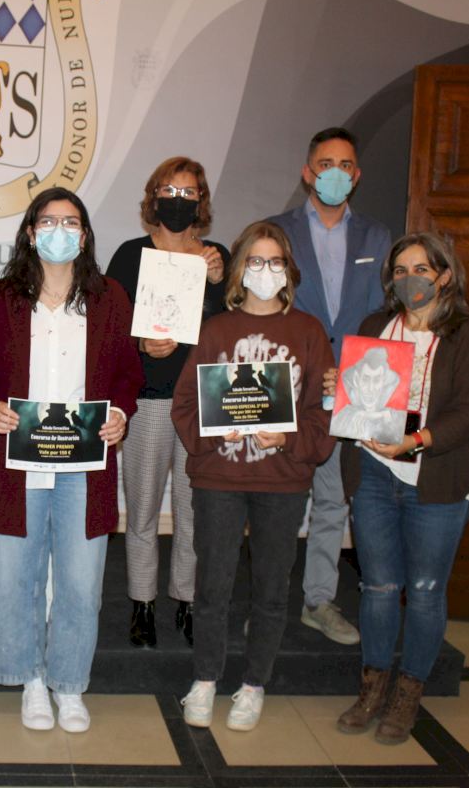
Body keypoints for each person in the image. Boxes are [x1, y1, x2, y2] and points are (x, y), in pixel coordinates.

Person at [0, 187, 143, 733]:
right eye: (48, 222)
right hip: (18, 461)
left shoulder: (110, 298)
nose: (59, 232)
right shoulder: (1, 299)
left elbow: (128, 374)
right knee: (16, 579)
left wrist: (119, 413)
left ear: (85, 236)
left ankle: (69, 684)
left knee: (80, 583)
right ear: (30, 232)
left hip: (84, 465)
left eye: (71, 223)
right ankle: (29, 679)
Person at [172, 221, 334, 732]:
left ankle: (254, 684)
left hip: (283, 482)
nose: (266, 271)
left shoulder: (309, 333)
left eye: (276, 262)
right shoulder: (215, 330)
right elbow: (184, 404)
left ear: (289, 271)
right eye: (256, 261)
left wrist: (287, 437)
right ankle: (205, 678)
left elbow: (323, 413)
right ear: (240, 269)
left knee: (270, 588)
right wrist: (212, 431)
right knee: (212, 585)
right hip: (218, 478)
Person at [333, 232, 469, 745]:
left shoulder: (467, 335)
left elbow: (467, 412)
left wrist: (417, 440)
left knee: (424, 592)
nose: (409, 279)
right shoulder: (374, 327)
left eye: (421, 269)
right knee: (378, 588)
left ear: (444, 275)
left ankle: (407, 696)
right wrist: (338, 389)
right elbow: (359, 395)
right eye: (400, 270)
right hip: (374, 475)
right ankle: (372, 688)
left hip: (436, 479)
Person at [266, 127, 391, 646]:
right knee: (279, 500)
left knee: (333, 500)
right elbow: (263, 308)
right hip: (291, 385)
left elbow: (384, 314)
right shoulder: (277, 231)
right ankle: (270, 603)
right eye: (325, 164)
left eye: (344, 165)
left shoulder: (377, 237)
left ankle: (318, 599)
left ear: (356, 176)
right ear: (307, 172)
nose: (334, 173)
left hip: (352, 388)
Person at [105, 156, 228, 649]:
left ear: (201, 201)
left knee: (195, 510)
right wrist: (140, 343)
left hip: (202, 400)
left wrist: (220, 281)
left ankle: (187, 600)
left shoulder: (217, 258)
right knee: (141, 508)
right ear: (153, 197)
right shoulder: (130, 255)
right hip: (149, 398)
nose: (178, 201)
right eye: (169, 192)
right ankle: (142, 603)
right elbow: (108, 326)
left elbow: (235, 325)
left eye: (188, 193)